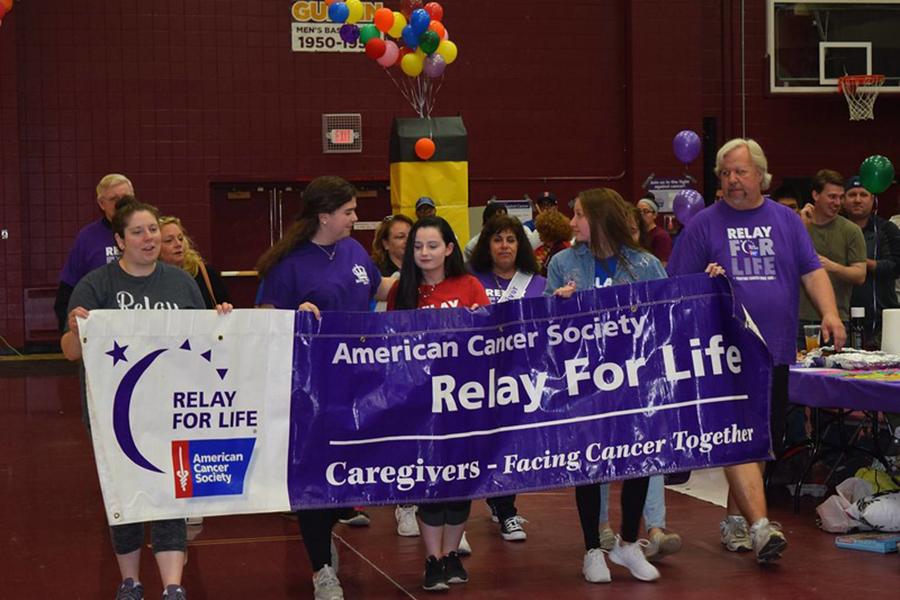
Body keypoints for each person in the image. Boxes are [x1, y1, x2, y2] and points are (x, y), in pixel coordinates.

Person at [668, 137, 846, 565]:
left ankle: (735, 521)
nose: (732, 180)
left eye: (740, 172)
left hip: (777, 349)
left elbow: (811, 270)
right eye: (725, 173)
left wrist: (831, 314)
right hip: (724, 352)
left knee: (762, 440)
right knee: (739, 438)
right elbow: (675, 288)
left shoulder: (786, 221)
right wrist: (705, 287)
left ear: (761, 176)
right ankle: (759, 526)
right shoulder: (703, 226)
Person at [61, 196, 233, 600]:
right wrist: (75, 328)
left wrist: (224, 318)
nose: (149, 238)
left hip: (170, 410)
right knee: (127, 496)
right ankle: (130, 581)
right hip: (115, 415)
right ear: (120, 240)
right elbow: (70, 350)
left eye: (152, 229)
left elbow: (208, 341)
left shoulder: (181, 283)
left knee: (171, 495)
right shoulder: (96, 285)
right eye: (138, 231)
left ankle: (173, 586)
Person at [255, 176, 395, 600]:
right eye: (349, 211)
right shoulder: (290, 264)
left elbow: (379, 288)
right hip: (311, 389)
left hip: (359, 383)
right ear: (325, 216)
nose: (356, 218)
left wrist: (430, 277)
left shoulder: (353, 251)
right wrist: (295, 315)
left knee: (352, 476)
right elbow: (264, 315)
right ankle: (321, 569)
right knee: (317, 478)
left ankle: (326, 531)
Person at [545, 187, 666, 584]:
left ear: (598, 219)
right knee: (588, 463)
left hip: (633, 381)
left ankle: (629, 543)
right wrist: (556, 306)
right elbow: (542, 327)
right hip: (584, 383)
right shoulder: (562, 263)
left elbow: (670, 315)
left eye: (578, 215)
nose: (572, 222)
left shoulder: (644, 264)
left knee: (637, 458)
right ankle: (591, 549)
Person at [387, 216, 490, 591]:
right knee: (429, 481)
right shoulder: (402, 290)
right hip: (420, 404)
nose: (424, 253)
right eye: (417, 246)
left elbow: (490, 339)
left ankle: (450, 556)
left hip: (465, 401)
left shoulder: (470, 285)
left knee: (460, 481)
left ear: (449, 249)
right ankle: (432, 560)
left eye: (432, 246)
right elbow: (390, 346)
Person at [467, 215, 545, 541]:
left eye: (511, 240)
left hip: (518, 377)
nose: (504, 246)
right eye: (497, 239)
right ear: (487, 245)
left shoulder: (537, 283)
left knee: (509, 443)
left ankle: (505, 507)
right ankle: (492, 510)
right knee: (476, 446)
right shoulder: (471, 280)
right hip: (475, 380)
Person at [54, 173, 135, 332]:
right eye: (113, 199)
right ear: (101, 203)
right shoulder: (87, 238)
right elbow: (67, 290)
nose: (121, 204)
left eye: (125, 198)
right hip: (101, 327)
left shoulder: (149, 232)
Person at [798, 169, 866, 329]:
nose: (837, 202)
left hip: (837, 319)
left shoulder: (851, 230)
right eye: (832, 197)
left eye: (840, 197)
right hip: (798, 319)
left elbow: (860, 274)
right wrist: (801, 228)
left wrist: (832, 266)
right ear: (816, 195)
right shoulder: (796, 224)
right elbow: (783, 264)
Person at [842, 175, 900, 345]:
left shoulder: (886, 228)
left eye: (863, 194)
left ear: (873, 199)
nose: (858, 200)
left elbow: (896, 266)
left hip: (883, 320)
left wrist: (860, 263)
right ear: (843, 200)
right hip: (843, 318)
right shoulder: (836, 229)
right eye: (852, 195)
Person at [159, 216, 231, 310]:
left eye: (180, 239)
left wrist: (223, 308)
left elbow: (227, 307)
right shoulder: (150, 278)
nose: (178, 244)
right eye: (169, 241)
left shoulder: (203, 272)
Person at [534, 209, 572, 276]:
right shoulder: (558, 246)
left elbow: (547, 273)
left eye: (540, 231)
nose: (539, 235)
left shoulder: (559, 250)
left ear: (547, 232)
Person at [637, 195, 673, 264]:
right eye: (638, 212)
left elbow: (663, 265)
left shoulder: (661, 236)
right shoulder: (637, 234)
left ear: (655, 215)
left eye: (646, 211)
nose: (641, 215)